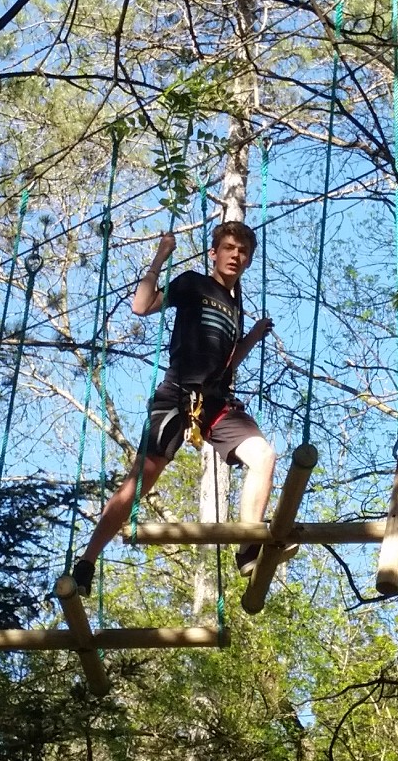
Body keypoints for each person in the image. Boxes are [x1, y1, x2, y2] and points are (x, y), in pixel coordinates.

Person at [71, 221, 275, 596]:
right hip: (178, 395)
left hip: (215, 401)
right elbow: (141, 306)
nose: (235, 255)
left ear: (248, 260)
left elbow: (228, 362)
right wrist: (160, 257)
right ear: (214, 253)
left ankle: (248, 546)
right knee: (139, 482)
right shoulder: (193, 283)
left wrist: (252, 335)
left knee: (263, 456)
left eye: (242, 251)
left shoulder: (236, 307)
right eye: (228, 248)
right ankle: (86, 561)